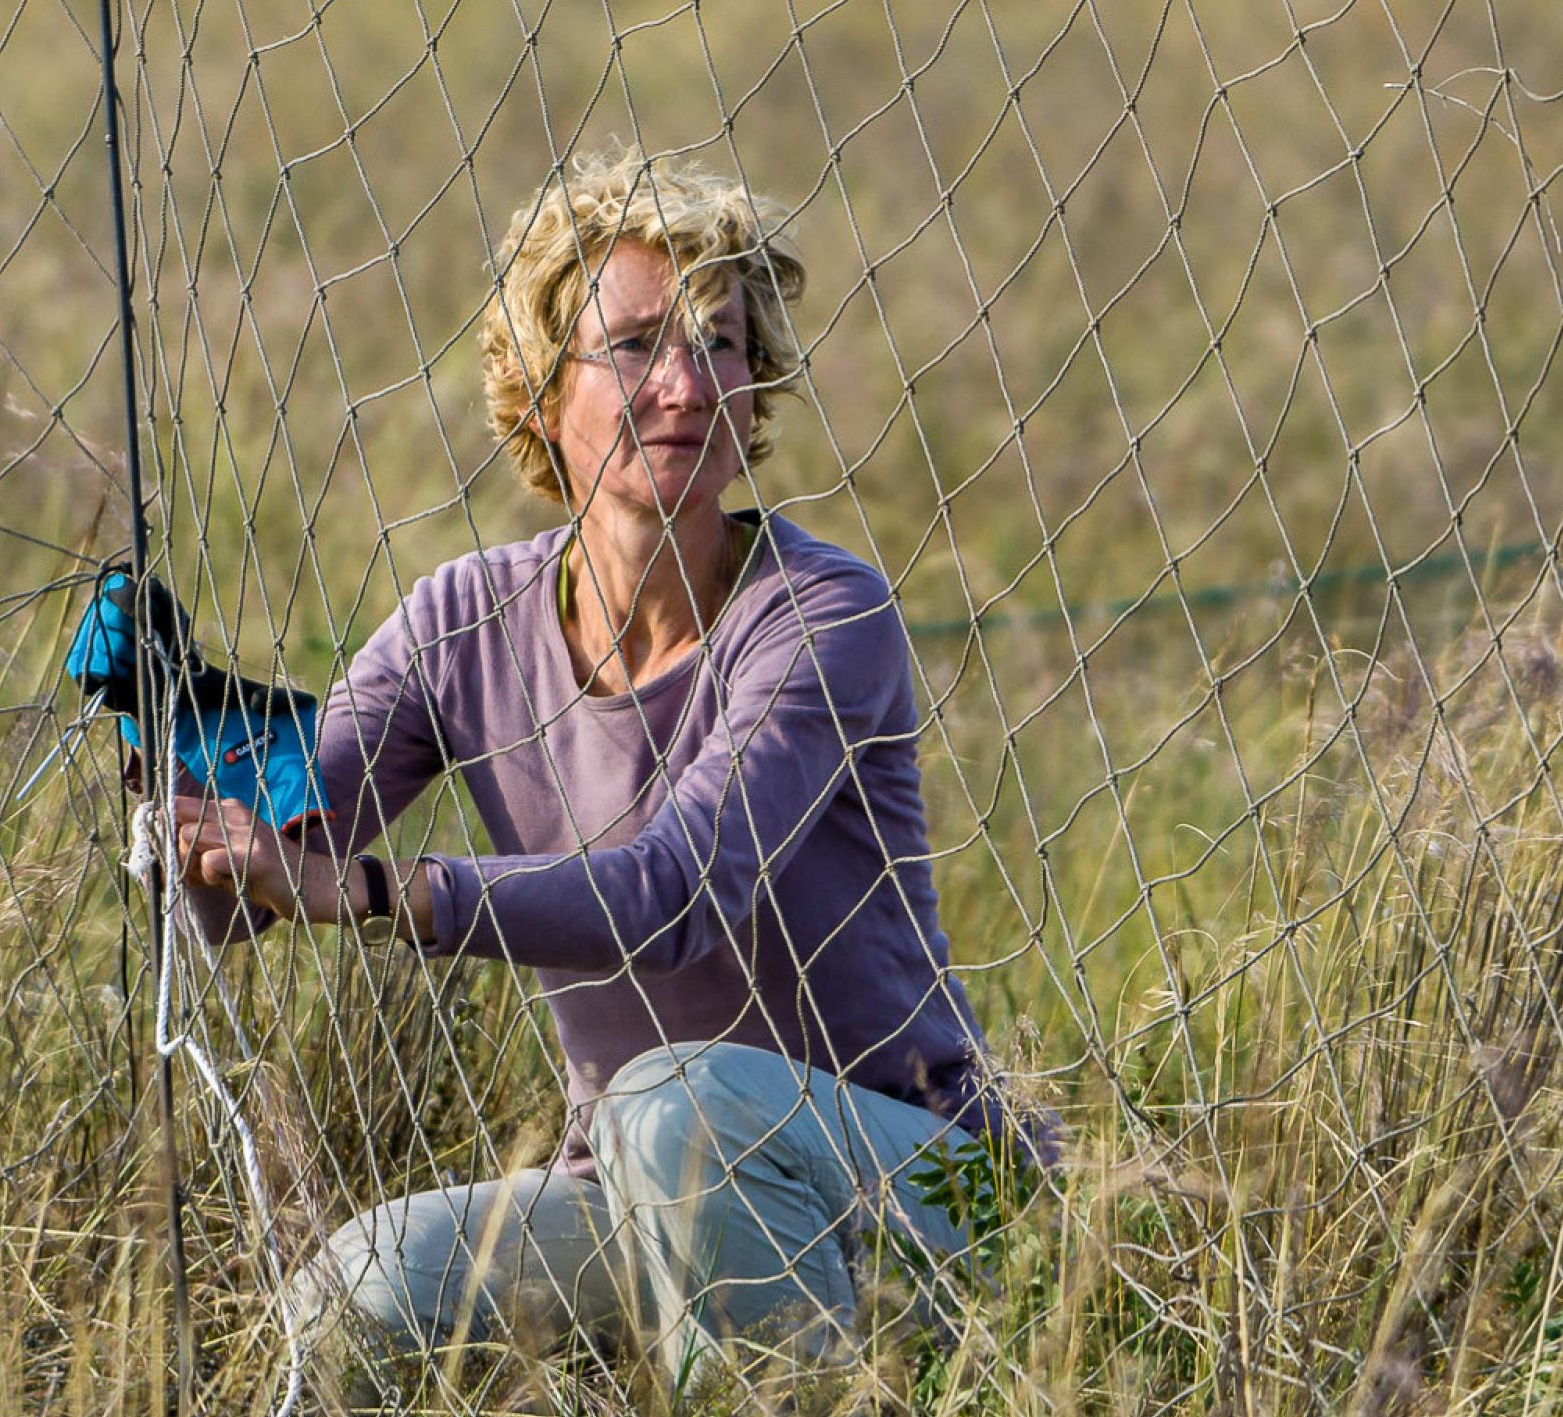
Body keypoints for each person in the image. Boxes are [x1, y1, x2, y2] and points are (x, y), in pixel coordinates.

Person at [169, 148, 1038, 1395]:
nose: (685, 383)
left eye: (721, 343)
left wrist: (370, 893)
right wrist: (172, 770)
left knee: (678, 1103)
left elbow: (673, 897)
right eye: (634, 346)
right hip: (639, 1182)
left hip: (933, 1186)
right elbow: (246, 885)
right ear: (538, 392)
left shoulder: (822, 616)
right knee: (363, 1285)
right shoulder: (461, 620)